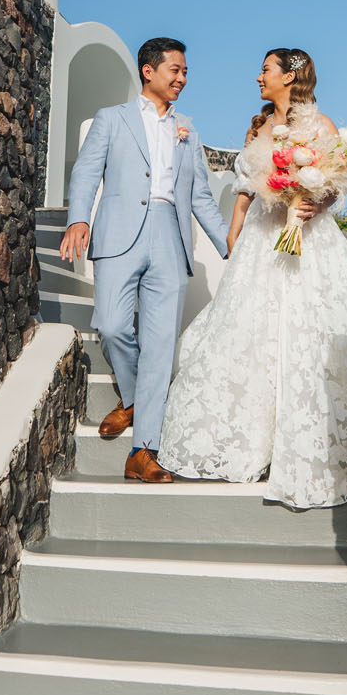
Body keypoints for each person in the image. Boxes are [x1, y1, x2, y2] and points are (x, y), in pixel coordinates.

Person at [159, 47, 347, 508]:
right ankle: (247, 441)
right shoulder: (258, 126)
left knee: (304, 332)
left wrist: (315, 203)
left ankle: (301, 445)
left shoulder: (321, 126)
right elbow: (242, 194)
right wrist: (234, 239)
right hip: (261, 237)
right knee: (248, 334)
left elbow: (333, 185)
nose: (258, 77)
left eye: (265, 69)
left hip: (307, 240)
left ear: (290, 76)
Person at [60, 37, 229, 484]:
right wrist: (79, 219)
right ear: (149, 71)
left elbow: (201, 199)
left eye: (186, 72)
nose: (182, 78)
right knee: (112, 324)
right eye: (175, 70)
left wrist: (233, 245)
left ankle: (143, 450)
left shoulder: (188, 130)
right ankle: (133, 397)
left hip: (169, 241)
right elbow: (86, 171)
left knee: (160, 345)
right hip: (117, 235)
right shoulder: (111, 119)